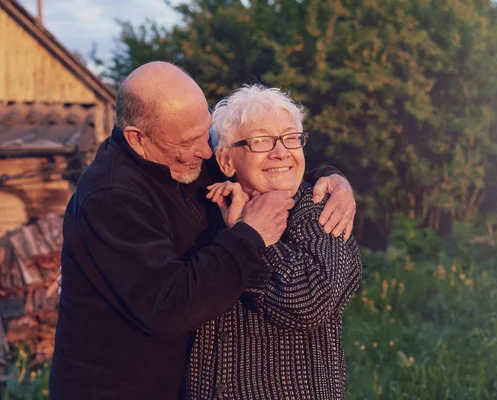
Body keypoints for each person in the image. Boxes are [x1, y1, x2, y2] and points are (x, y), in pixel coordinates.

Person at [49, 62, 357, 400]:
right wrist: (250, 236)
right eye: (190, 141)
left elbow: (266, 162)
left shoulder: (185, 160)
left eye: (206, 133)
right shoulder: (110, 199)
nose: (205, 151)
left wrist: (331, 178)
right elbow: (168, 305)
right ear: (138, 139)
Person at [185, 84, 362, 399]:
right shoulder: (210, 206)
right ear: (226, 162)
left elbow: (310, 303)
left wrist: (249, 234)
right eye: (261, 141)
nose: (281, 152)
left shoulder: (323, 208)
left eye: (291, 138)